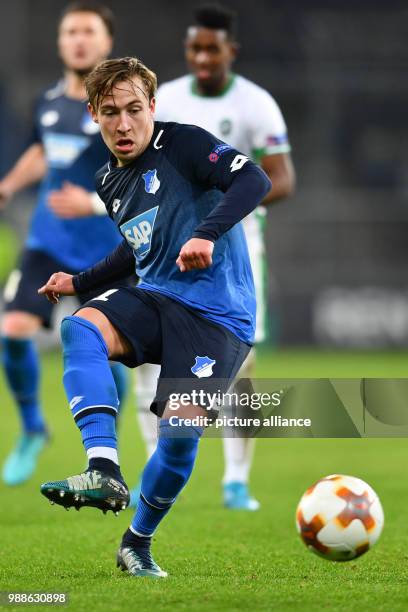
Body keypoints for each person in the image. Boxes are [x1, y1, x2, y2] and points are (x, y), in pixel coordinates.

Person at [38, 56, 271, 578]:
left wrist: (205, 234)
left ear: (152, 107)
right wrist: (79, 283)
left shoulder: (184, 144)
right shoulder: (108, 180)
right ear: (94, 115)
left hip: (219, 316)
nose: (124, 124)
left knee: (179, 438)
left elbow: (254, 180)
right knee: (82, 326)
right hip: (158, 298)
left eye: (134, 109)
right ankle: (103, 468)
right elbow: (135, 248)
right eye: (110, 112)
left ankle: (136, 542)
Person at [130, 3, 296, 510]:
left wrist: (214, 212)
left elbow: (282, 179)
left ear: (231, 51)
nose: (203, 57)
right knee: (146, 365)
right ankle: (155, 468)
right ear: (187, 50)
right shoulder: (168, 100)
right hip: (164, 250)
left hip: (238, 253)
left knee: (237, 366)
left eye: (212, 49)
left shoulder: (256, 103)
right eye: (195, 48)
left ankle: (236, 480)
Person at [0, 1, 128, 487]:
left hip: (104, 249)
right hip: (47, 242)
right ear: (60, 42)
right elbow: (42, 151)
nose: (78, 39)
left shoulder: (120, 107)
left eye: (88, 31)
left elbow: (140, 167)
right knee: (12, 329)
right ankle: (33, 427)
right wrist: (8, 186)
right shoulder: (48, 100)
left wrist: (96, 202)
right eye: (70, 31)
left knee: (111, 355)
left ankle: (106, 455)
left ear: (106, 42)